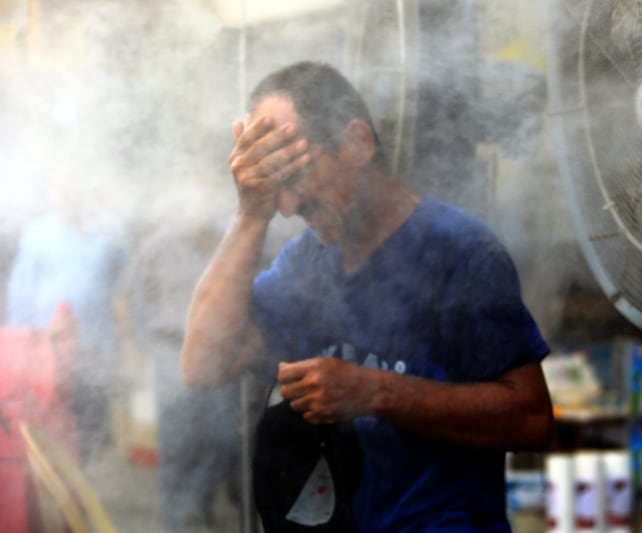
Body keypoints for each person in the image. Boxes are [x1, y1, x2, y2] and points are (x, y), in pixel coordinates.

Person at [180, 60, 554, 532]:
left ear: (358, 142)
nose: (289, 206)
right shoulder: (305, 262)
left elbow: (532, 418)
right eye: (275, 183)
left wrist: (375, 392)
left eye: (297, 172)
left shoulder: (459, 250)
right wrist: (251, 216)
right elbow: (203, 365)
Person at [120, 215, 241, 533]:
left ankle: (195, 500)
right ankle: (179, 521)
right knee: (177, 444)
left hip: (221, 355)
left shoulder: (233, 240)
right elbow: (125, 296)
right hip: (171, 351)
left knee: (225, 438)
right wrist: (134, 347)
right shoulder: (158, 246)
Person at [6, 166, 128, 464]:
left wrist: (128, 340)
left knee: (93, 417)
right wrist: (21, 348)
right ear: (53, 193)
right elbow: (21, 291)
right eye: (61, 189)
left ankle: (86, 481)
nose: (68, 196)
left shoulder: (111, 231)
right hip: (49, 348)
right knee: (53, 416)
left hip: (97, 343)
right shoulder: (38, 232)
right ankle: (56, 484)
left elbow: (125, 287)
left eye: (74, 188)